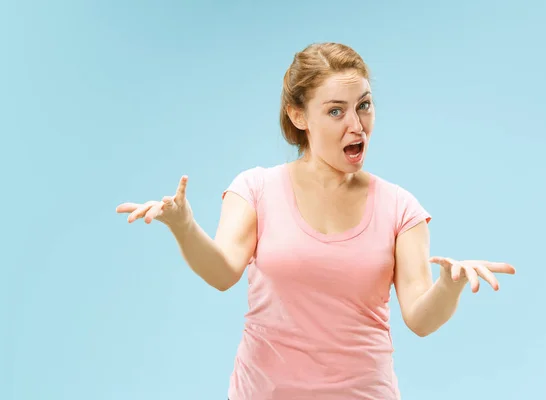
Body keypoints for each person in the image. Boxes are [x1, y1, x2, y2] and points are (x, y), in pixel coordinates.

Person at [116, 42, 516, 400]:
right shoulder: (255, 188)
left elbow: (421, 318)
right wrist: (184, 225)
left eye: (364, 105)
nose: (356, 125)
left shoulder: (400, 208)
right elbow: (222, 272)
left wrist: (449, 286)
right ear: (298, 116)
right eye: (335, 111)